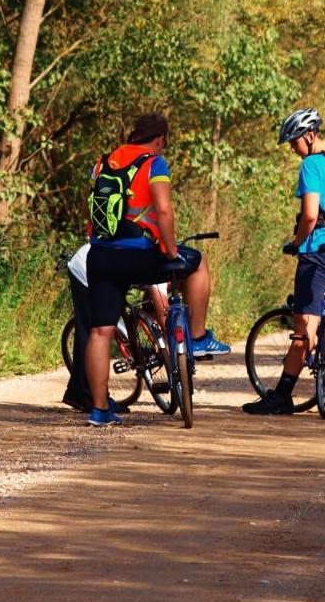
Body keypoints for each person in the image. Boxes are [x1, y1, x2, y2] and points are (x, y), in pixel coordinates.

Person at [84, 113, 230, 427]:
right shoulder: (154, 164)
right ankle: (200, 335)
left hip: (100, 255)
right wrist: (171, 249)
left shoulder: (103, 163)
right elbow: (163, 209)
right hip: (139, 257)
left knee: (100, 332)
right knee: (198, 263)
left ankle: (99, 410)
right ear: (160, 139)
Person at [243, 108, 325, 416]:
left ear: (310, 135)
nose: (293, 149)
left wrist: (297, 242)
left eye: (294, 142)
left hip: (318, 250)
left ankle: (282, 396)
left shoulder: (312, 165)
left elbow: (310, 215)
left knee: (306, 324)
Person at [61, 242, 168, 412]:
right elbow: (163, 311)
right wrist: (170, 345)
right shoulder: (160, 268)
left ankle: (77, 390)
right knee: (93, 331)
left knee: (102, 326)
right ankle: (88, 397)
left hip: (108, 264)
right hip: (86, 270)